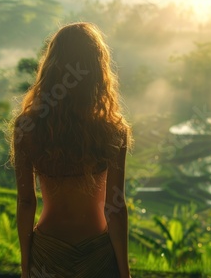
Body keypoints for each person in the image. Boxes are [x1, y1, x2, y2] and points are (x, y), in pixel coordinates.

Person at [9, 22, 132, 278]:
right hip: (97, 255)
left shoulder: (28, 128)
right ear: (98, 69)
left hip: (47, 256)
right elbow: (115, 208)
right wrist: (124, 271)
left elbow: (26, 202)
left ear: (51, 66)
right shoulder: (112, 130)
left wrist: (26, 265)